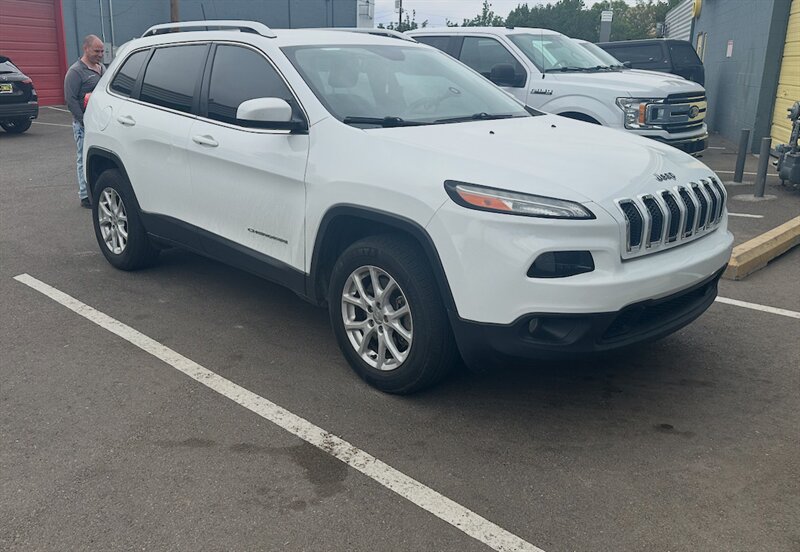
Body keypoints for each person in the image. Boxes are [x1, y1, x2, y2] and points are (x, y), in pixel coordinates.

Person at [64, 35, 105, 208]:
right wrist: (83, 121)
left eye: (102, 51)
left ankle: (96, 190)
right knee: (83, 157)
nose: (100, 54)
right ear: (86, 48)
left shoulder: (101, 68)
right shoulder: (75, 71)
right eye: (97, 51)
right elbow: (70, 99)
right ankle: (84, 195)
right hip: (83, 125)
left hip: (100, 122)